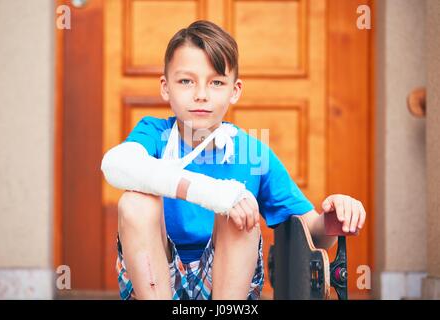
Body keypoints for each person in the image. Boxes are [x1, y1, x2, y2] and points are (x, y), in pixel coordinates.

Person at [101, 20, 366, 300]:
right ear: (166, 88)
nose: (201, 94)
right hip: (156, 282)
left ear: (235, 90)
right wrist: (214, 193)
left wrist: (332, 221)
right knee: (135, 202)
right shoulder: (154, 133)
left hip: (228, 282)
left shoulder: (252, 152)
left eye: (216, 82)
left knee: (241, 206)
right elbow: (116, 165)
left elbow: (310, 232)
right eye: (186, 81)